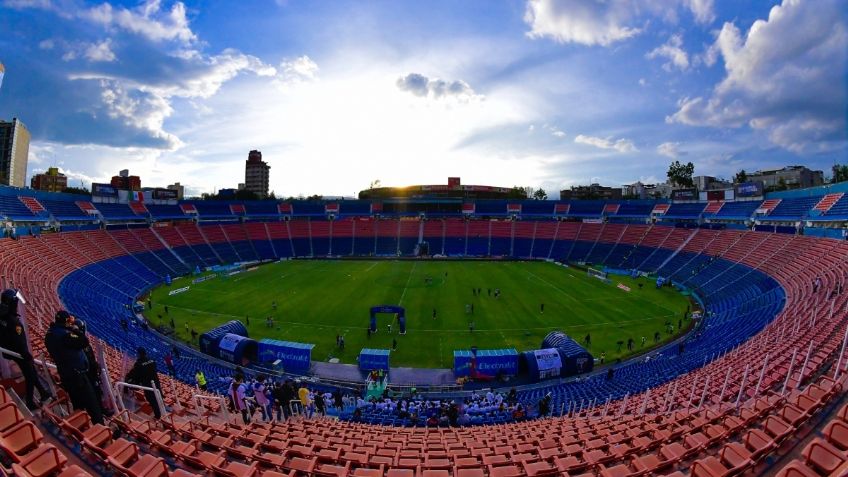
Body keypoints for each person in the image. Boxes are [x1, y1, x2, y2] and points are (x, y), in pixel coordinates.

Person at [45, 311, 101, 423]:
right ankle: (101, 428)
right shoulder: (65, 335)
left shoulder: (49, 335)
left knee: (77, 403)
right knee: (92, 404)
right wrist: (76, 330)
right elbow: (84, 341)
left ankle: (81, 425)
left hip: (65, 373)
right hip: (77, 375)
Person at [1, 290, 51, 410]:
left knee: (31, 370)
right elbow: (19, 341)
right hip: (19, 353)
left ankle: (42, 391)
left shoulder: (2, 315)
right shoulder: (13, 321)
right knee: (29, 375)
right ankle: (30, 401)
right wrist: (26, 354)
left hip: (9, 350)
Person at [126, 347, 163, 419]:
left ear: (139, 354)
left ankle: (158, 416)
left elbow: (135, 374)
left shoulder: (138, 364)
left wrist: (129, 377)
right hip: (156, 381)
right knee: (159, 397)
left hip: (148, 385)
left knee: (152, 400)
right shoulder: (152, 360)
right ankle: (162, 411)